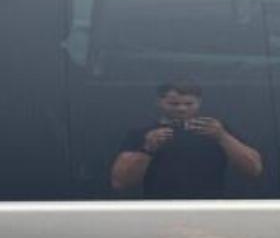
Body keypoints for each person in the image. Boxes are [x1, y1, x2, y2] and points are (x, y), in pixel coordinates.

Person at [110, 82, 263, 198]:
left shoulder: (216, 130)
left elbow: (254, 169)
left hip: (210, 209)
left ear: (199, 103)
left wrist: (222, 137)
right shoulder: (141, 134)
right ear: (159, 102)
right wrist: (147, 149)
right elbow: (121, 182)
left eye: (189, 104)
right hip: (159, 209)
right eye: (174, 104)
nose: (182, 108)